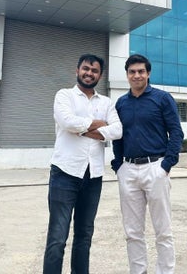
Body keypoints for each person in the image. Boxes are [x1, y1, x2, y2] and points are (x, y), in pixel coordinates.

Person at [43, 53, 122, 274]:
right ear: (77, 70)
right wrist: (99, 125)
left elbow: (118, 130)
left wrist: (82, 130)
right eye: (86, 68)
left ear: (100, 75)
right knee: (57, 236)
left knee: (84, 235)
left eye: (94, 70)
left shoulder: (106, 102)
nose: (89, 73)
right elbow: (67, 122)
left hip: (93, 176)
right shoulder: (64, 95)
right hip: (64, 174)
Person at [112, 54, 184, 274]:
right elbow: (118, 137)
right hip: (128, 170)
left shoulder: (162, 98)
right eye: (132, 72)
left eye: (141, 71)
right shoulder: (121, 103)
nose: (137, 75)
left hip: (155, 168)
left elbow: (176, 132)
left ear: (148, 73)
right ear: (127, 75)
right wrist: (118, 166)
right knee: (132, 232)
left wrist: (167, 165)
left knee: (163, 230)